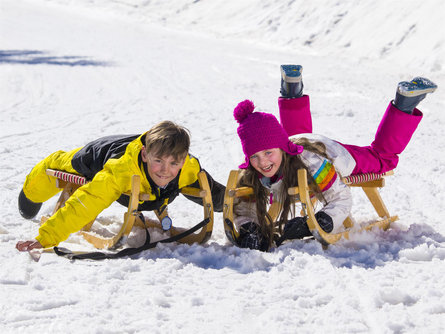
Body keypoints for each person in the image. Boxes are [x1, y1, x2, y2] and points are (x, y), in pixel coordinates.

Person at [231, 64, 437, 251]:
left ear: (282, 148)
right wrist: (249, 229)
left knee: (383, 157)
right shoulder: (255, 167)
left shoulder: (313, 164)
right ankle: (291, 90)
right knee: (295, 134)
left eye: (268, 153)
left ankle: (405, 103)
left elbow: (341, 197)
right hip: (297, 139)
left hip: (331, 153)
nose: (263, 162)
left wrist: (319, 221)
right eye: (255, 156)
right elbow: (244, 205)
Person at [16, 121, 225, 251]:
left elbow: (216, 195)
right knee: (58, 164)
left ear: (183, 159)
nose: (165, 170)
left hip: (137, 155)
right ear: (145, 155)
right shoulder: (121, 170)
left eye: (173, 163)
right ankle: (29, 195)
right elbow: (87, 202)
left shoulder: (188, 167)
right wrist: (46, 238)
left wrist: (247, 208)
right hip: (99, 155)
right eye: (158, 161)